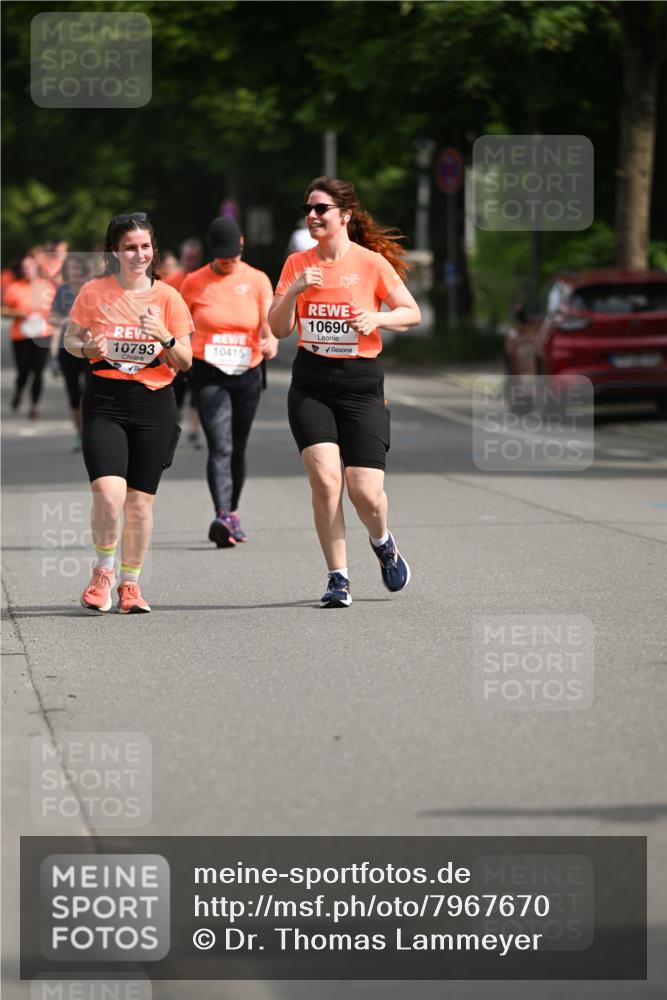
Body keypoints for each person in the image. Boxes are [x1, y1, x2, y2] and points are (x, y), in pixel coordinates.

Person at [269, 176, 421, 608]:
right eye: (308, 210)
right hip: (311, 384)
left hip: (360, 385)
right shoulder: (296, 265)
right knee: (325, 481)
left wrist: (378, 320)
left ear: (345, 215)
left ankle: (383, 542)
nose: (312, 216)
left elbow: (412, 312)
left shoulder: (370, 263)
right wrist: (295, 290)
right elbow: (278, 328)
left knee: (366, 492)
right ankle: (338, 578)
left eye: (321, 209)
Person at [64, 212, 193, 614]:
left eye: (145, 247)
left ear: (153, 250)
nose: (139, 254)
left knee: (139, 504)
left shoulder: (168, 297)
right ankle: (103, 571)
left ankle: (131, 585)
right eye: (130, 248)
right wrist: (88, 349)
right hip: (104, 400)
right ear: (114, 253)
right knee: (108, 492)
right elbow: (69, 340)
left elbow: (185, 361)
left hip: (154, 403)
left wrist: (164, 337)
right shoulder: (94, 291)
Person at [181, 217, 278, 547]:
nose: (228, 262)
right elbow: (179, 325)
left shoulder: (257, 279)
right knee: (220, 445)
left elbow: (268, 325)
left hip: (248, 372)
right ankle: (222, 513)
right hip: (209, 372)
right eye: (221, 257)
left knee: (238, 445)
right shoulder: (194, 282)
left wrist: (271, 343)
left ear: (242, 245)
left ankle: (232, 511)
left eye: (233, 255)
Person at [2, 253, 56, 418]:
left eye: (29, 267)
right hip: (21, 335)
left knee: (38, 371)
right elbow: (4, 311)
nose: (26, 270)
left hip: (42, 334)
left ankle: (34, 406)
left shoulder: (47, 287)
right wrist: (19, 313)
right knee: (23, 371)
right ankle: (19, 391)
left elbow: (57, 310)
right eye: (24, 268)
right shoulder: (14, 287)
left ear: (35, 269)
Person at [164, 237, 205, 448]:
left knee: (196, 394)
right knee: (176, 392)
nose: (191, 261)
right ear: (182, 257)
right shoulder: (171, 281)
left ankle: (194, 433)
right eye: (187, 257)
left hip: (199, 347)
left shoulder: (205, 279)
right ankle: (173, 428)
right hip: (176, 346)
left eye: (195, 258)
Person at [49, 253, 91, 449]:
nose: (75, 272)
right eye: (72, 269)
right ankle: (80, 435)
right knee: (74, 392)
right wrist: (65, 321)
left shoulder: (92, 289)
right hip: (68, 346)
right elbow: (53, 319)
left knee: (91, 390)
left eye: (78, 268)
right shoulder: (62, 291)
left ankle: (93, 432)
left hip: (90, 346)